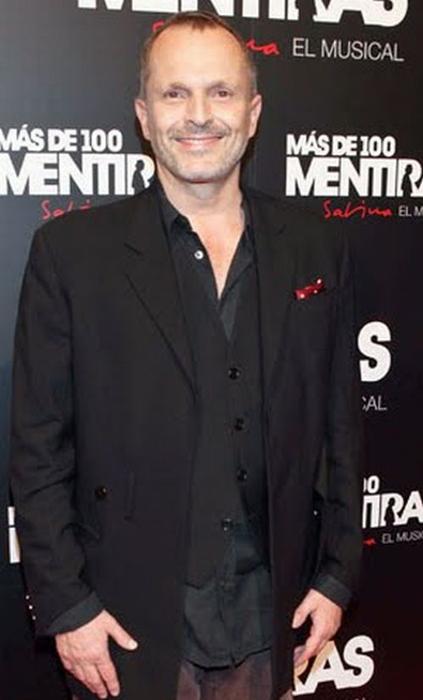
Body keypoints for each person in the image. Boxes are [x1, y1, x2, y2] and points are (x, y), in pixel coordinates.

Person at [9, 11, 363, 700]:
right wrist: (66, 606)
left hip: (272, 615)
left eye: (220, 92)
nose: (198, 115)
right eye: (175, 93)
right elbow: (37, 448)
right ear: (144, 116)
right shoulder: (72, 254)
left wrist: (338, 575)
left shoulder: (315, 245)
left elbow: (340, 425)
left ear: (252, 113)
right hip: (126, 625)